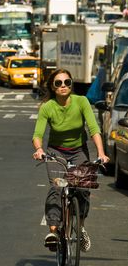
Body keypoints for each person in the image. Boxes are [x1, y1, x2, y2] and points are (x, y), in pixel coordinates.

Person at [32, 68, 110, 252]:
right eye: (58, 83)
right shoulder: (47, 107)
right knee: (57, 187)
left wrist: (101, 152)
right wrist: (39, 149)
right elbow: (37, 134)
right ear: (53, 86)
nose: (63, 86)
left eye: (67, 82)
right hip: (55, 152)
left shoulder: (81, 102)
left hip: (78, 151)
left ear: (71, 84)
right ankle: (53, 232)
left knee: (83, 189)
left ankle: (80, 227)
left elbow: (93, 129)